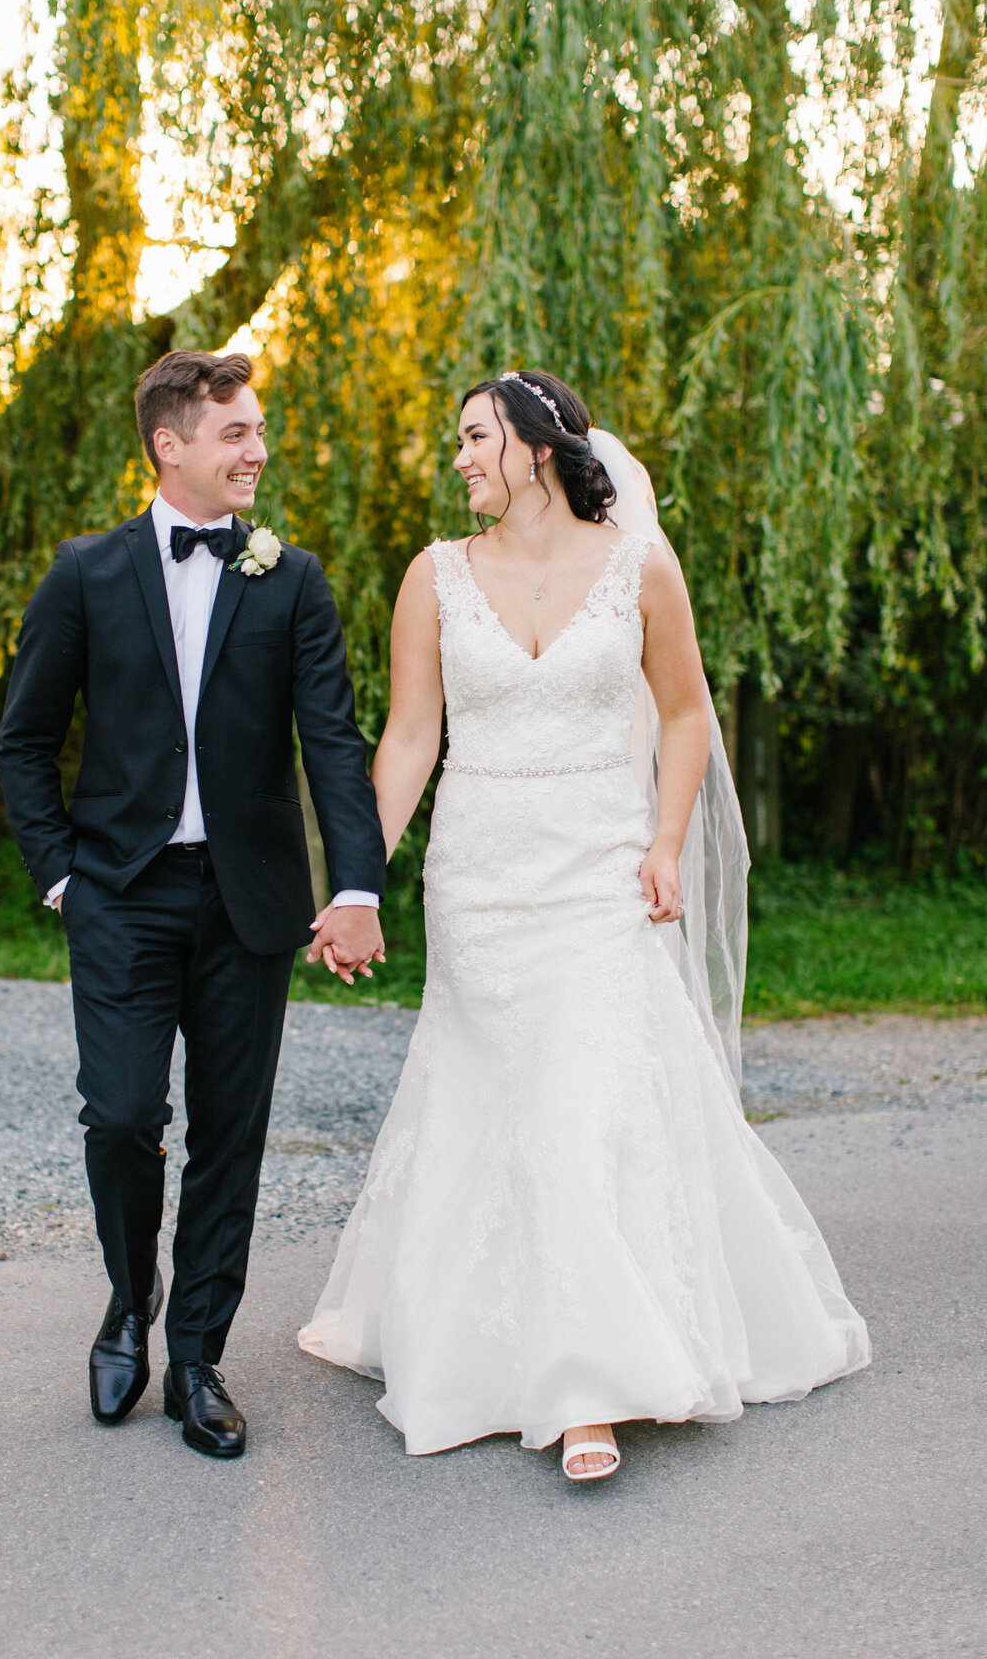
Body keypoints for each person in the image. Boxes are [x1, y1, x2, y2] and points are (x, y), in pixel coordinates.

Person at [299, 369, 870, 1481]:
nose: (459, 458)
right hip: (480, 877)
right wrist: (358, 884)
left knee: (581, 1107)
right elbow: (413, 738)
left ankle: (590, 1388)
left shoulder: (640, 567)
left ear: (538, 446)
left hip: (602, 869)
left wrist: (664, 844)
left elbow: (685, 712)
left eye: (474, 437)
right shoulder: (435, 578)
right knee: (494, 1102)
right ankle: (482, 1339)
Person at [0, 348, 386, 1459]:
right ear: (171, 445)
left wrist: (353, 884)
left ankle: (201, 1357)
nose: (257, 450)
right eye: (236, 434)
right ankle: (131, 1303)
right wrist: (62, 873)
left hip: (250, 903)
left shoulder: (290, 577)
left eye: (259, 431)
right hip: (119, 896)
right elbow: (25, 741)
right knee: (121, 1117)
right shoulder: (85, 573)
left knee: (232, 1133)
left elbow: (332, 743)